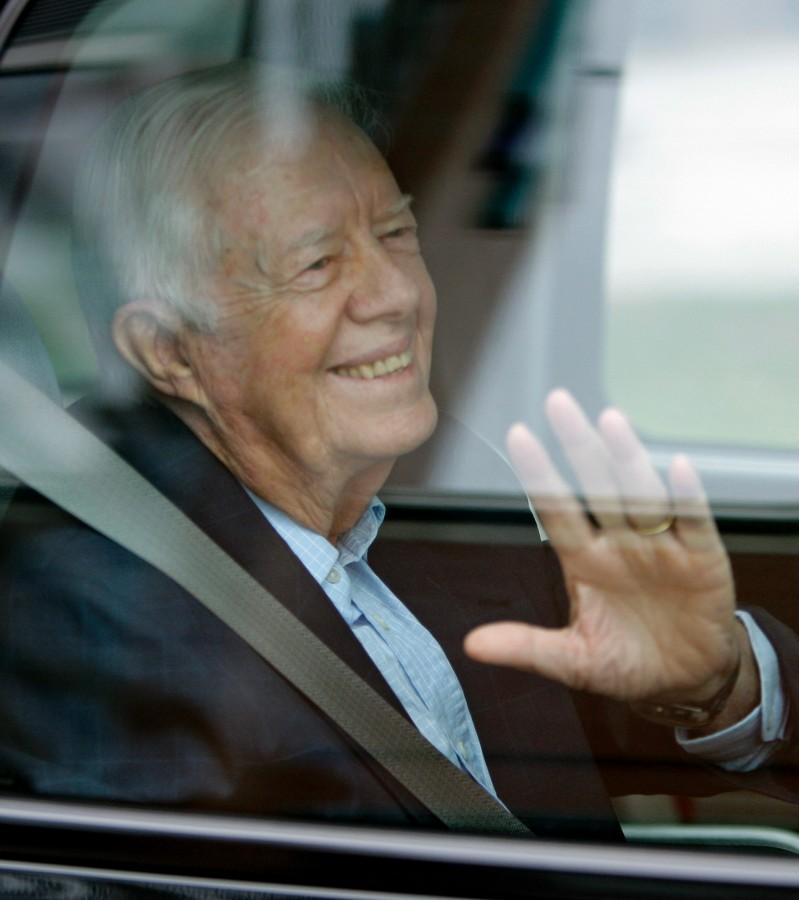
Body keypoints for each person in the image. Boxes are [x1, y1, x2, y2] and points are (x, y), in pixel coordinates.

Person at [0, 64, 796, 838]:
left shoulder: (439, 506)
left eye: (396, 232)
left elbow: (597, 699)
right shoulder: (89, 628)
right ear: (169, 351)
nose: (396, 294)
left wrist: (716, 681)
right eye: (317, 264)